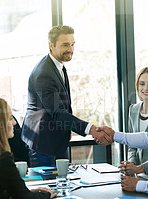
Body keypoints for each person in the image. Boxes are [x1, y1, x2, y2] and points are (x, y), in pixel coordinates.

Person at [21, 25, 110, 167]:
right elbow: (57, 112)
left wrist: (67, 129)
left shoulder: (57, 66)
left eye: (72, 44)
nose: (70, 49)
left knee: (63, 183)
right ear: (51, 46)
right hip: (43, 143)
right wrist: (92, 130)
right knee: (48, 187)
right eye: (65, 45)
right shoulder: (44, 73)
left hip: (57, 140)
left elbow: (63, 107)